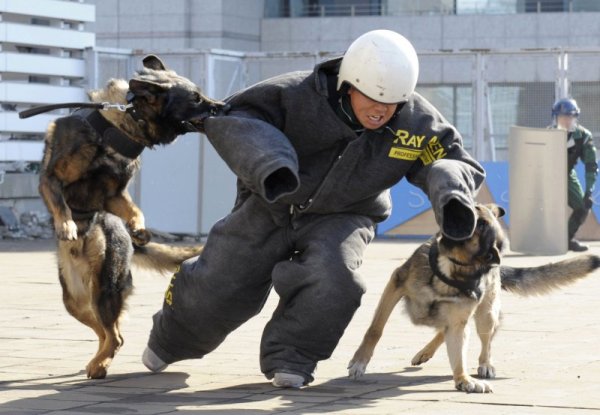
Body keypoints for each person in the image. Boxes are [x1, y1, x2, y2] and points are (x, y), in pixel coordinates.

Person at [142, 30, 485, 388]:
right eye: (371, 98)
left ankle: (293, 357)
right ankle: (171, 339)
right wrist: (271, 164)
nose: (382, 110)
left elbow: (450, 159)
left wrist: (452, 196)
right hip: (271, 201)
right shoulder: (292, 94)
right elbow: (238, 118)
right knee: (222, 285)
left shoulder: (416, 123)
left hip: (346, 214)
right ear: (347, 84)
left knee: (335, 279)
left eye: (393, 103)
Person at [551, 98, 597, 252]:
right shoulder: (546, 135)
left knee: (583, 207)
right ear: (556, 117)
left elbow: (591, 165)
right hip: (545, 175)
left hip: (566, 174)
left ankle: (566, 240)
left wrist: (589, 190)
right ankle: (539, 240)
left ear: (575, 117)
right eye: (562, 116)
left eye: (569, 116)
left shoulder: (583, 136)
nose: (565, 120)